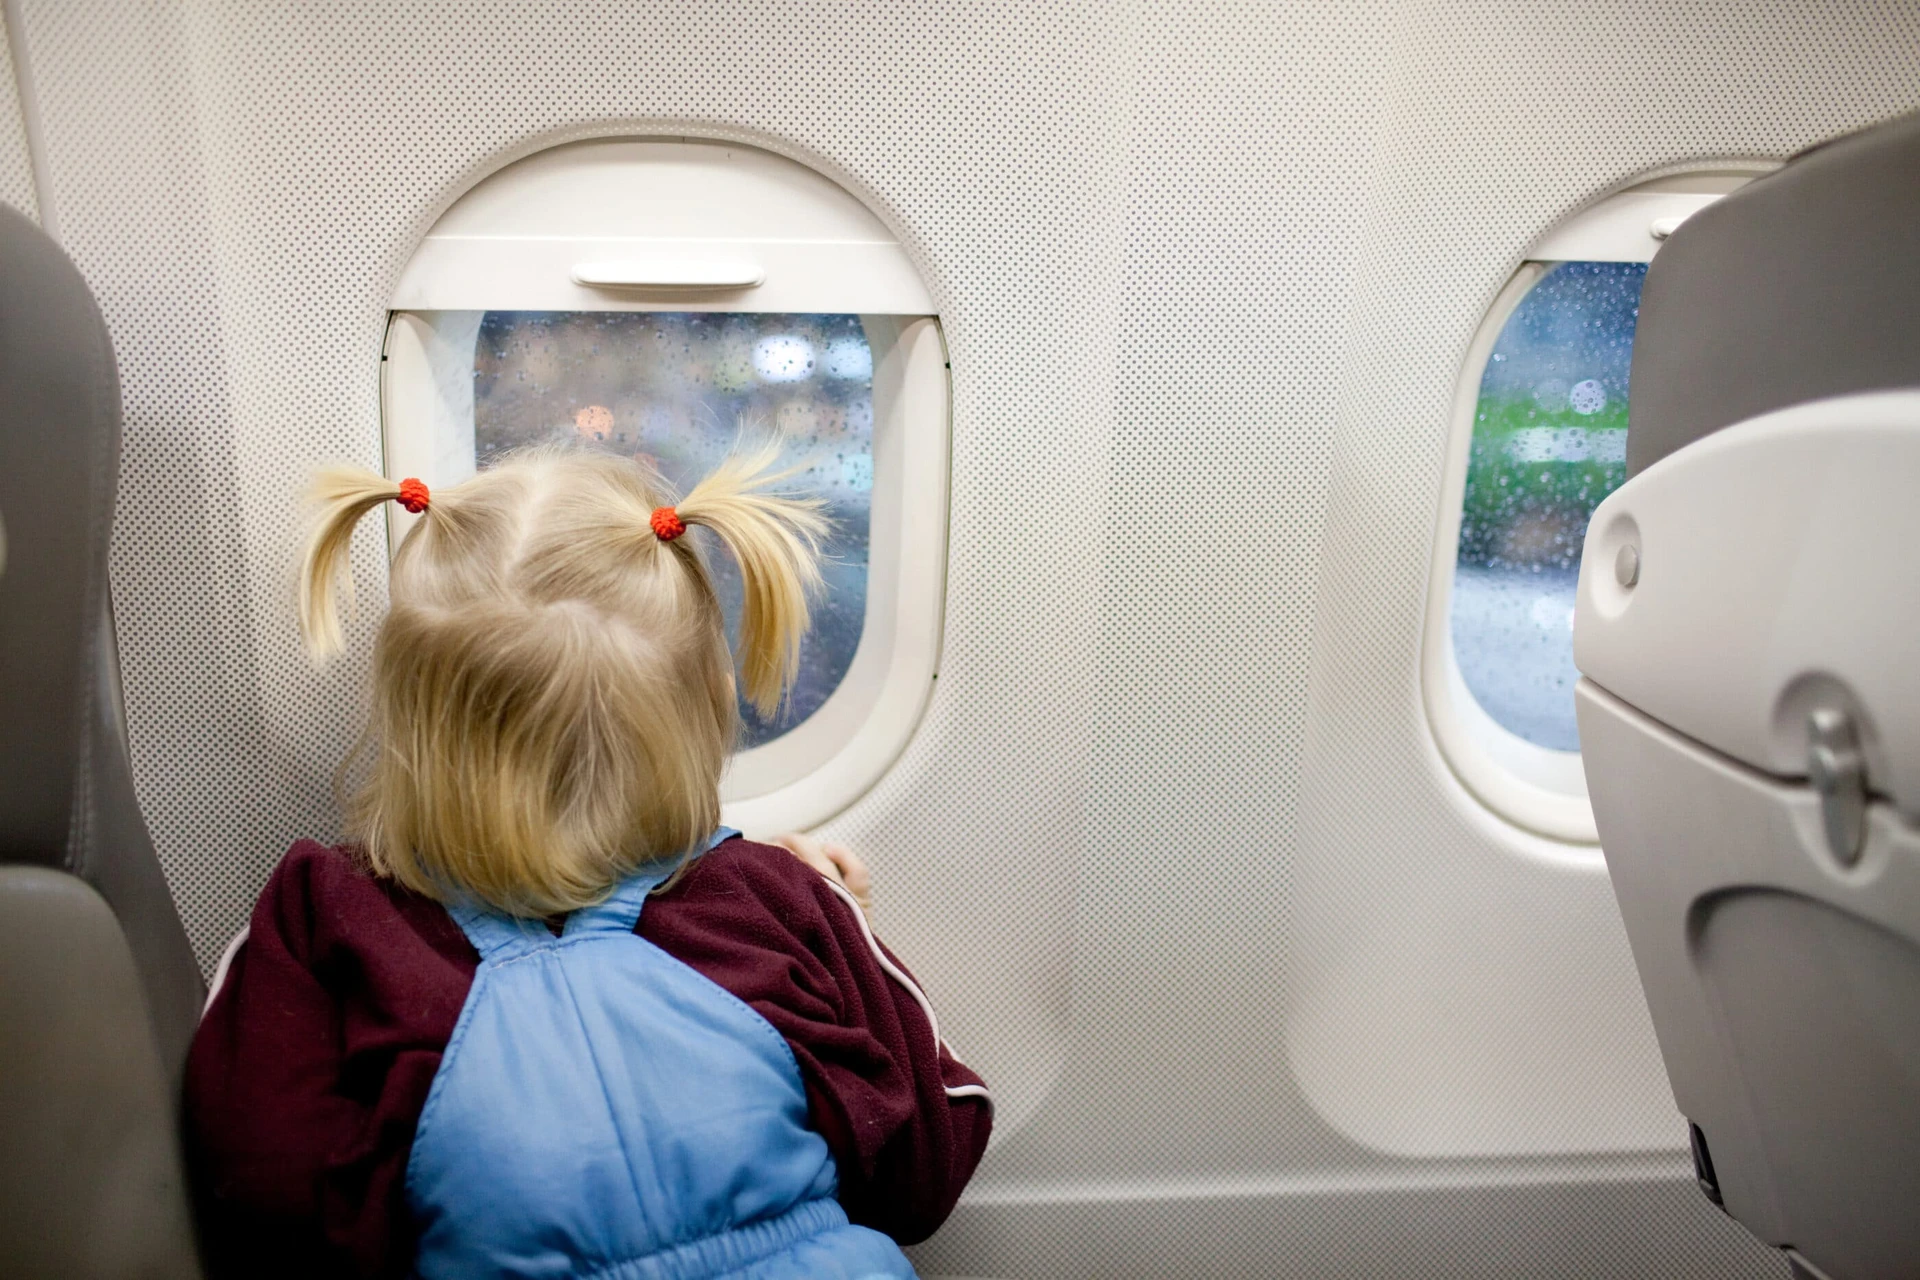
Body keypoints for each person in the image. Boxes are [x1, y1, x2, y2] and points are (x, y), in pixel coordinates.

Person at [184, 444, 991, 1279]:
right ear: (714, 702)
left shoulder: (336, 916)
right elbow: (925, 1167)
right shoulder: (771, 898)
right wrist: (844, 914)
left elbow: (265, 1198)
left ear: (408, 721)